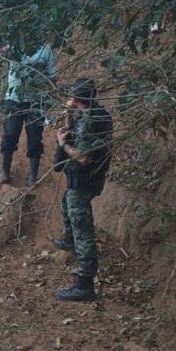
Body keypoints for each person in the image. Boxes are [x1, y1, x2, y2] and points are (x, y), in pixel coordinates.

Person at [53, 79, 113, 301]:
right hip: (87, 179)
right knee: (66, 203)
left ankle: (85, 285)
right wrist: (69, 115)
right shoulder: (95, 113)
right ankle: (69, 239)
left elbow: (84, 157)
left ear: (76, 97)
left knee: (83, 232)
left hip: (85, 179)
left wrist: (62, 145)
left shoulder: (89, 121)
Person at [0, 43, 57, 185]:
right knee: (10, 133)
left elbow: (52, 75)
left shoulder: (46, 50)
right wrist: (5, 51)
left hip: (36, 101)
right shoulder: (15, 42)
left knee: (35, 137)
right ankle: (5, 170)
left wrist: (50, 98)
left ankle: (33, 175)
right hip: (14, 99)